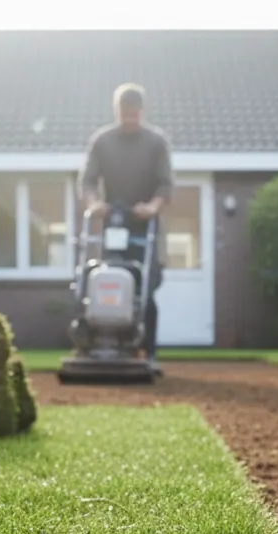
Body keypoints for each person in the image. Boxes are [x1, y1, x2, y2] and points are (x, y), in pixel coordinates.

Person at [78, 82, 175, 375]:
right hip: (114, 224)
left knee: (145, 287)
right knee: (105, 279)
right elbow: (88, 181)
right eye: (124, 113)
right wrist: (95, 204)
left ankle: (149, 350)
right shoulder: (102, 141)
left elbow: (165, 184)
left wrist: (152, 207)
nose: (129, 118)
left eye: (134, 113)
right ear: (116, 110)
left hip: (146, 226)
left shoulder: (155, 142)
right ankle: (96, 341)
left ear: (141, 112)